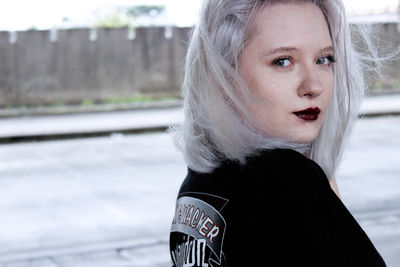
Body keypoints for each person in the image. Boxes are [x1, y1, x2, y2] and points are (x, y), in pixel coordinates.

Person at [169, 0, 386, 266]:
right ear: (223, 77)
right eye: (283, 61)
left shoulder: (199, 185)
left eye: (324, 59)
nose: (313, 85)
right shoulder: (287, 179)